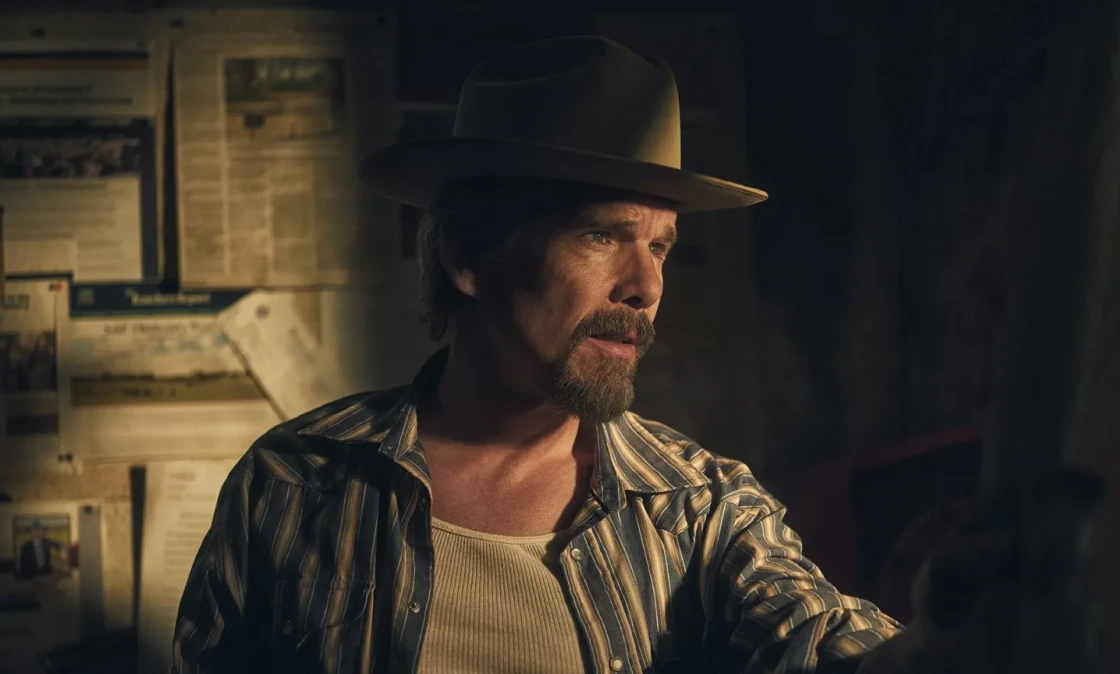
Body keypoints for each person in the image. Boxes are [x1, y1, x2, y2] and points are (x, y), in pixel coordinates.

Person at [173, 36, 1005, 673]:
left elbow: (822, 643)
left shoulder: (702, 510)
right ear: (469, 256)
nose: (646, 286)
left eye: (662, 246)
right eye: (601, 236)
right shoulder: (296, 482)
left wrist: (946, 637)